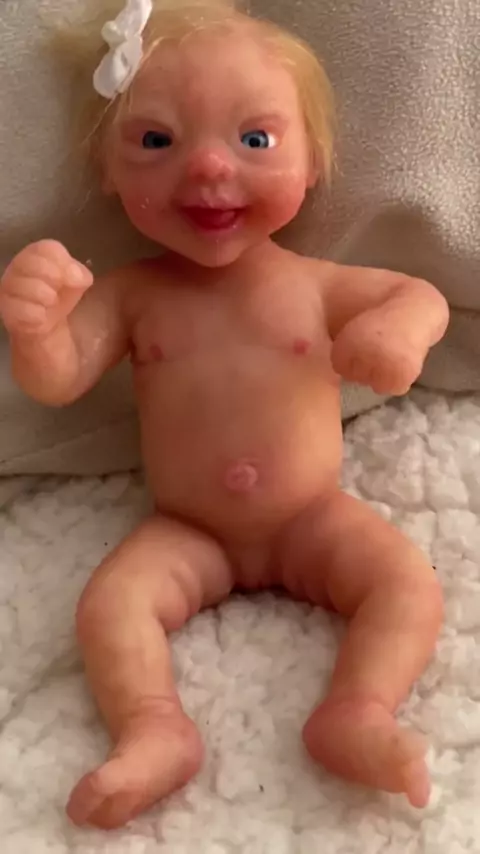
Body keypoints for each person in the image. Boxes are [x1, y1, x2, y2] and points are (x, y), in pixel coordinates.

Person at [0, 0, 447, 829]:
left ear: (314, 161)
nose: (207, 167)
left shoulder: (310, 283)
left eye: (255, 140)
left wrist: (398, 333)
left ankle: (359, 708)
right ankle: (153, 727)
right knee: (112, 607)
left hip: (312, 515)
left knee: (405, 585)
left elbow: (418, 294)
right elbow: (59, 378)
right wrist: (36, 327)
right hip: (188, 530)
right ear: (108, 170)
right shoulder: (133, 294)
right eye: (156, 141)